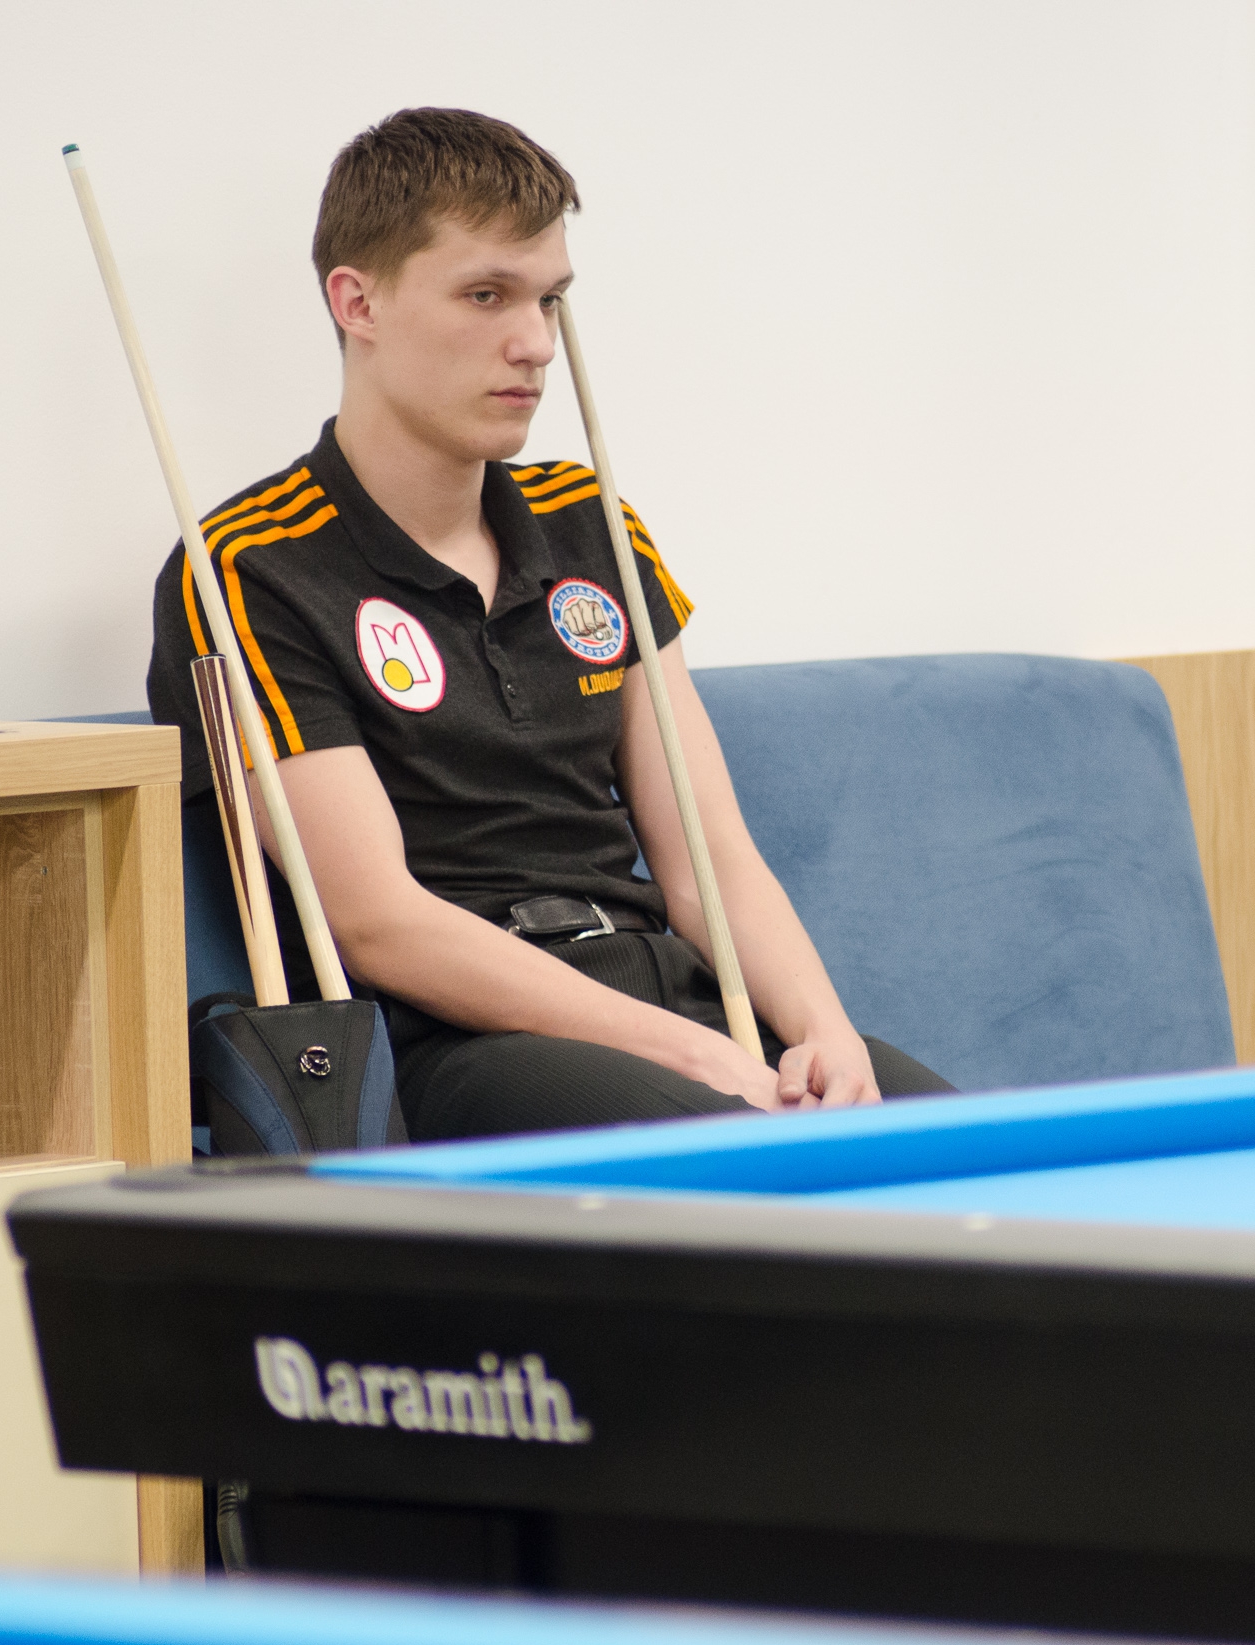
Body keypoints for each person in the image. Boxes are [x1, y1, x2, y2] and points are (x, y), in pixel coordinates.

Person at [145, 108, 951, 1140]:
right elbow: (377, 922)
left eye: (550, 299)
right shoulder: (247, 567)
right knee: (747, 1160)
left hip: (669, 994)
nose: (535, 343)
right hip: (463, 1045)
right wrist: (694, 1056)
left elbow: (709, 859)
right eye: (486, 295)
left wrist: (823, 1033)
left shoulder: (591, 521)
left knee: (978, 1160)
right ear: (358, 302)